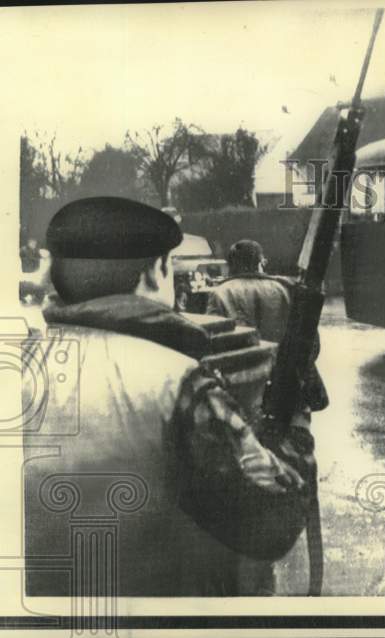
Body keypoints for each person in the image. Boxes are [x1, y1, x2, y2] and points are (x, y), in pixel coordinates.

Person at [23, 197, 317, 596]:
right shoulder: (177, 383)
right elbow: (271, 520)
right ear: (154, 272)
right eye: (170, 266)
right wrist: (293, 420)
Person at [206, 239, 328, 414]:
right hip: (286, 388)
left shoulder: (220, 293)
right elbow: (310, 344)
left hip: (244, 388)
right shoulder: (285, 289)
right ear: (260, 262)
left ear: (231, 265)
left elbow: (214, 346)